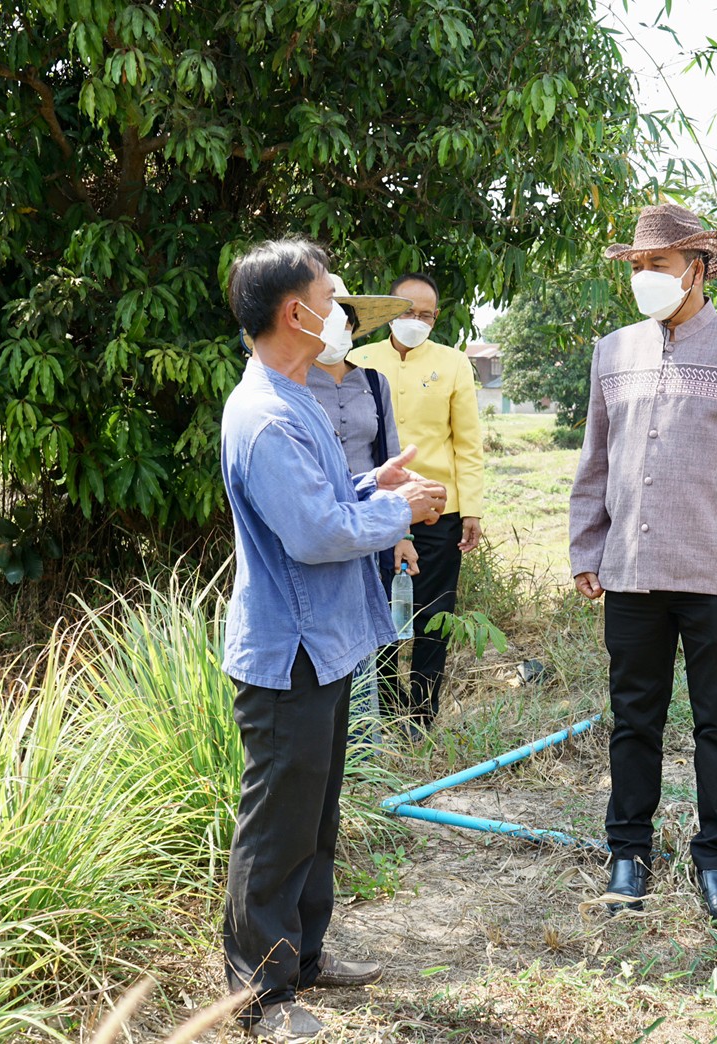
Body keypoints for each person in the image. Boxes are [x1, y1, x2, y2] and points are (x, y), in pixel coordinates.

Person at [220, 238, 446, 1041]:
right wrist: (398, 512)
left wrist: (370, 485)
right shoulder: (267, 415)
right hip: (288, 654)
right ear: (295, 313)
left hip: (322, 645)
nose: (342, 314)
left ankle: (305, 958)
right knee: (277, 827)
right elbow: (314, 534)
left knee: (313, 817)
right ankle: (259, 997)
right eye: (331, 298)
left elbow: (319, 502)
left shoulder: (295, 396)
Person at [570, 203, 717, 925]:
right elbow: (595, 460)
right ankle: (629, 850)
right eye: (637, 267)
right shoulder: (612, 350)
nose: (644, 278)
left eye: (657, 266)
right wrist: (587, 545)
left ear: (696, 269)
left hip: (715, 571)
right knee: (633, 718)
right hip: (631, 571)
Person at [350, 274, 484, 737]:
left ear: (436, 318)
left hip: (436, 510)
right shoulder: (359, 358)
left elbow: (467, 442)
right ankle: (387, 709)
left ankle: (422, 716)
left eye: (425, 314)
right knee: (380, 608)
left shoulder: (453, 363)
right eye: (407, 311)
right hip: (377, 506)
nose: (416, 321)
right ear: (389, 311)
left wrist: (472, 509)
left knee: (433, 613)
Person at [303, 274, 416, 743]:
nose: (336, 329)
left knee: (366, 636)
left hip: (369, 522)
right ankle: (325, 737)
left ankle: (361, 743)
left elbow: (391, 460)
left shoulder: (373, 381)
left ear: (351, 327)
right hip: (317, 521)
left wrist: (401, 534)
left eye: (343, 320)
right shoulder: (293, 382)